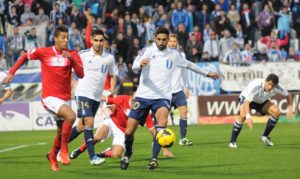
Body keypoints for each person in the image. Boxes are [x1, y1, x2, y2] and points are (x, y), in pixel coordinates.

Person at [120, 27, 218, 170]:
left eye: (164, 40)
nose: (161, 42)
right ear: (154, 38)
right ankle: (128, 153)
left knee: (162, 126)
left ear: (167, 39)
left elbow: (189, 65)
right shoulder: (147, 51)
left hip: (162, 97)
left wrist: (206, 73)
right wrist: (140, 64)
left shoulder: (174, 54)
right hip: (143, 96)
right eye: (159, 39)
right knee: (129, 132)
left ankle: (154, 159)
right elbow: (134, 67)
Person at [3, 25, 84, 172]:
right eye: (63, 37)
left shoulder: (73, 54)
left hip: (65, 98)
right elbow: (24, 57)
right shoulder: (44, 52)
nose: (66, 40)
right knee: (71, 116)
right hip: (49, 97)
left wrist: (72, 59)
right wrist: (12, 72)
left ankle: (52, 155)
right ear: (56, 39)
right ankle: (63, 151)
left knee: (60, 133)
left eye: (67, 38)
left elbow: (81, 73)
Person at [69, 88, 174, 161]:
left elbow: (153, 131)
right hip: (111, 123)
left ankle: (107, 152)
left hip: (123, 132)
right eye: (134, 98)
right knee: (97, 137)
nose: (136, 101)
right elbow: (105, 99)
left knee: (115, 155)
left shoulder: (143, 110)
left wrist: (164, 149)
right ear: (130, 96)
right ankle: (80, 150)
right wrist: (90, 96)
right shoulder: (121, 99)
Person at [229, 73, 293, 148]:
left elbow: (288, 95)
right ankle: (232, 141)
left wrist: (290, 109)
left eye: (273, 86)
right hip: (246, 98)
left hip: (261, 100)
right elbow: (246, 102)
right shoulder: (257, 86)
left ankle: (265, 136)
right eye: (269, 84)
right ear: (265, 81)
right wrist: (248, 117)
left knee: (276, 112)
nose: (270, 87)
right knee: (243, 116)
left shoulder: (277, 87)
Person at [167, 34, 192, 146]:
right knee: (162, 118)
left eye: (174, 41)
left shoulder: (181, 55)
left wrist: (185, 86)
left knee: (184, 112)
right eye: (170, 41)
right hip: (165, 92)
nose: (172, 43)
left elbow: (184, 71)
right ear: (167, 42)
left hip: (178, 91)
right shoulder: (162, 55)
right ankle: (157, 139)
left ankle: (183, 139)